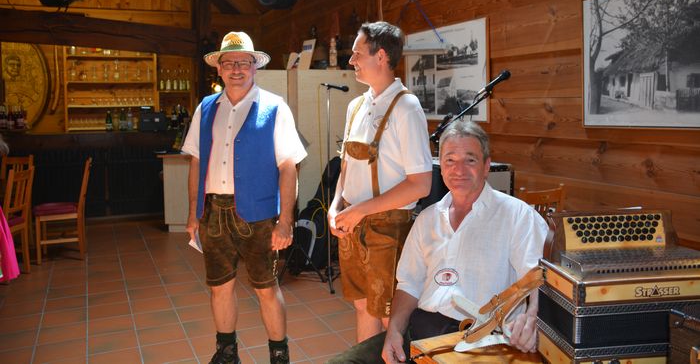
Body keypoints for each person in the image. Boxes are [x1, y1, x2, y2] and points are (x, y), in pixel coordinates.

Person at [328, 120, 548, 363]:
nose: (459, 170)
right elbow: (408, 285)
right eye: (450, 160)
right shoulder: (427, 219)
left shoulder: (518, 216)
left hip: (478, 340)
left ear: (487, 166)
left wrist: (533, 317)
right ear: (440, 168)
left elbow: (539, 280)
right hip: (420, 330)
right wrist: (394, 332)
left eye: (470, 160)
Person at [181, 31, 307, 364]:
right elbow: (196, 162)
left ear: (254, 67)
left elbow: (288, 167)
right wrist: (193, 213)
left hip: (259, 215)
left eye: (244, 62)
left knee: (266, 288)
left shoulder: (275, 108)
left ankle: (279, 355)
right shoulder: (206, 108)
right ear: (219, 68)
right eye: (229, 63)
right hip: (213, 212)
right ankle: (227, 353)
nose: (236, 69)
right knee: (219, 286)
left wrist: (285, 221)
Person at [328, 21, 433, 343]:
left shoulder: (406, 107)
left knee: (389, 315)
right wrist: (335, 207)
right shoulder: (355, 106)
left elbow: (420, 184)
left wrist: (360, 210)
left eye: (357, 54)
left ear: (381, 56)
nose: (351, 61)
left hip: (388, 228)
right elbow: (346, 168)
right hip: (351, 222)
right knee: (362, 307)